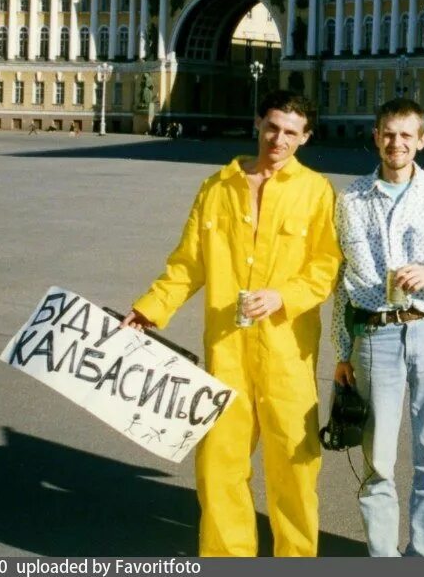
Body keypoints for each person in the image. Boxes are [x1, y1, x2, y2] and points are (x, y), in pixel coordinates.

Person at [121, 90, 341, 557]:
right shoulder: (217, 188)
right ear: (258, 123)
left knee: (295, 468)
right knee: (219, 465)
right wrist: (148, 309)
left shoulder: (316, 191)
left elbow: (326, 266)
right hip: (227, 351)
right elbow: (188, 262)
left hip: (288, 354)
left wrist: (284, 296)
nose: (278, 139)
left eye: (290, 132)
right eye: (272, 127)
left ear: (305, 138)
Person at [331, 98, 424, 557]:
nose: (397, 143)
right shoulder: (350, 199)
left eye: (406, 135)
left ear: (422, 140)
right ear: (376, 137)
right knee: (378, 462)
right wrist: (341, 351)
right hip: (375, 337)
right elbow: (340, 283)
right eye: (388, 134)